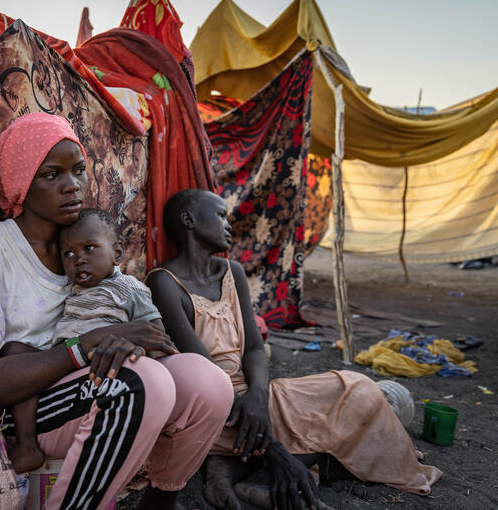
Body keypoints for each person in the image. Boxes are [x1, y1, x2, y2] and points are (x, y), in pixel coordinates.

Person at [0, 114, 233, 510]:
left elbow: (132, 320)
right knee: (140, 382)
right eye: (51, 175)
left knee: (208, 382)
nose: (72, 185)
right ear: (21, 181)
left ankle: (159, 502)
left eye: (78, 170)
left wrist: (135, 338)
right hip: (26, 410)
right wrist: (87, 345)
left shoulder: (87, 241)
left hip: (93, 384)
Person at [146, 189, 443, 510]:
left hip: (254, 400)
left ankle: (236, 466)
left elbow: (255, 349)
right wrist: (273, 446)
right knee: (335, 432)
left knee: (357, 388)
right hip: (212, 409)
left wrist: (259, 395)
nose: (227, 223)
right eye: (219, 215)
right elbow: (204, 374)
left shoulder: (233, 273)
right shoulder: (164, 282)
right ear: (188, 220)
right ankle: (250, 467)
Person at [3, 207, 166, 473]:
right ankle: (27, 444)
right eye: (68, 254)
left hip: (97, 365)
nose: (78, 259)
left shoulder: (128, 288)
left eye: (89, 248)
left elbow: (154, 332)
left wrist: (148, 356)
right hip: (62, 357)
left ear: (117, 253)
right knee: (15, 351)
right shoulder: (69, 289)